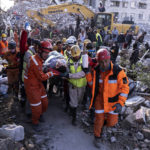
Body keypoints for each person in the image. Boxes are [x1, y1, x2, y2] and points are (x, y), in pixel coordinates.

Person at [85, 49, 129, 148]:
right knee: (98, 120)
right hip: (99, 101)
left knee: (112, 122)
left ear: (109, 60)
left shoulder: (118, 71)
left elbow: (125, 88)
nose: (104, 64)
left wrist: (120, 103)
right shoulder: (96, 71)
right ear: (98, 62)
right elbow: (92, 85)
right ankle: (97, 136)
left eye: (106, 61)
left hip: (113, 102)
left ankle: (104, 127)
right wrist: (88, 74)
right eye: (101, 62)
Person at [24, 40, 59, 131]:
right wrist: (51, 73)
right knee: (36, 107)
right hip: (32, 86)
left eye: (48, 53)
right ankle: (35, 122)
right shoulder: (34, 61)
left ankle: (39, 115)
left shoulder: (39, 59)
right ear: (40, 51)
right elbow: (42, 77)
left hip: (37, 84)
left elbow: (41, 71)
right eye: (45, 53)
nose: (46, 55)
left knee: (45, 103)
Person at [66, 45, 87, 125]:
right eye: (74, 56)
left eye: (77, 55)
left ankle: (72, 111)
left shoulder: (84, 60)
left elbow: (83, 73)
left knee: (79, 101)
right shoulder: (69, 61)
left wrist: (70, 76)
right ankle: (74, 118)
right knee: (74, 102)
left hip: (82, 85)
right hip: (72, 85)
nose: (76, 57)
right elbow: (67, 71)